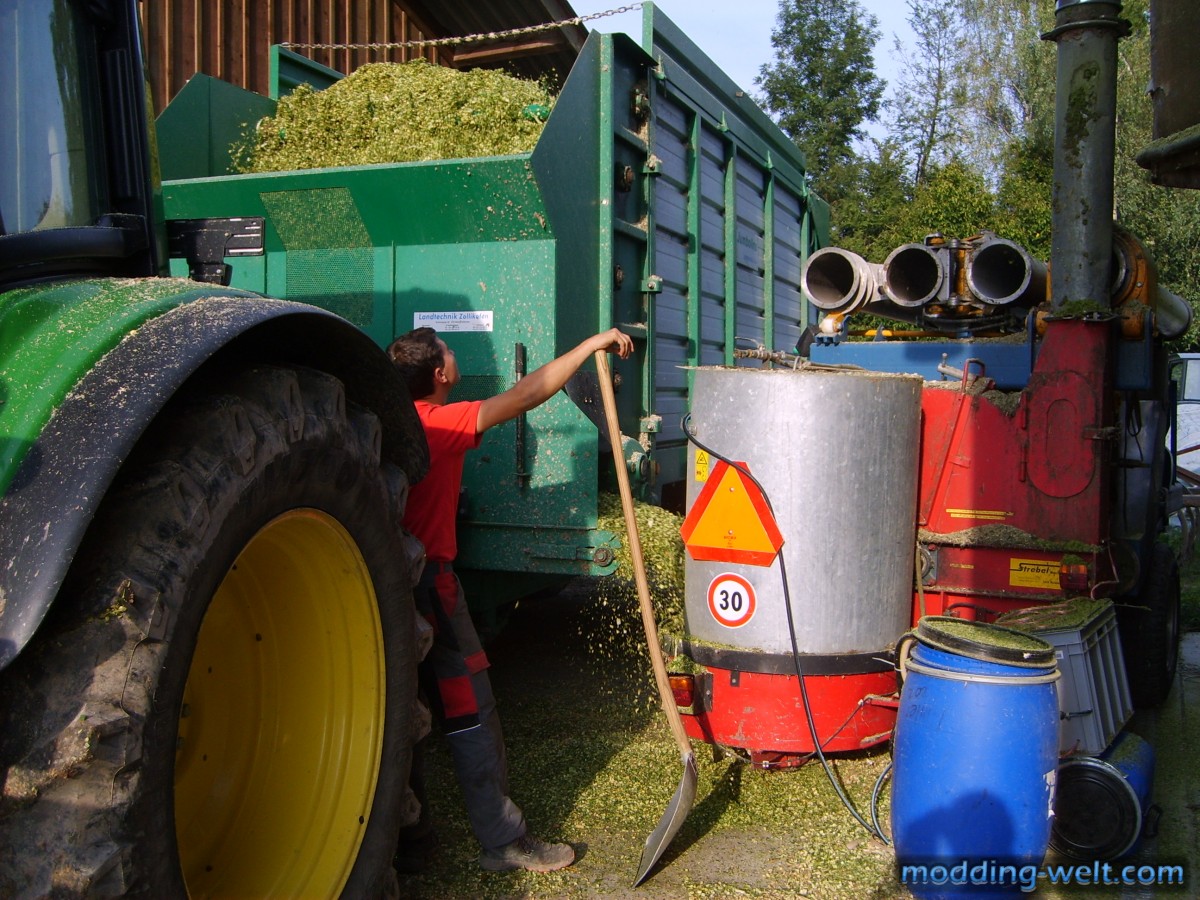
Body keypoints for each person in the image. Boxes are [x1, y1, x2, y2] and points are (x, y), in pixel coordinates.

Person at [387, 325, 634, 873]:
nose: (457, 360)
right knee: (470, 707)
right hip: (432, 584)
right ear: (438, 376)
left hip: (387, 587)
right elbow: (526, 394)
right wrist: (588, 345)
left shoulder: (388, 424)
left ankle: (413, 839)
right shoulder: (438, 423)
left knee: (403, 708)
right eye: (451, 356)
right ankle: (504, 839)